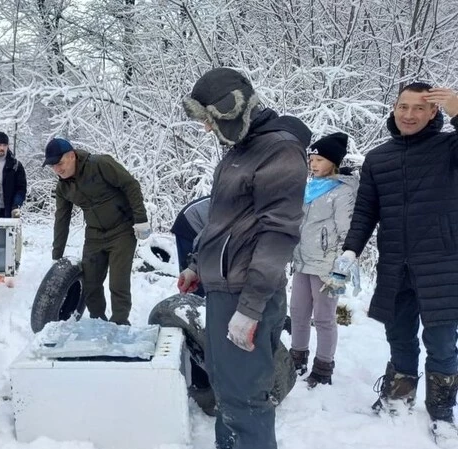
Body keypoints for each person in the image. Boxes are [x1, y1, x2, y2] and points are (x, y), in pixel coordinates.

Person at [178, 67, 310, 449]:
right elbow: (223, 222)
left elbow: (278, 234)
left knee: (245, 398)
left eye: (208, 120)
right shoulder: (240, 152)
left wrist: (251, 309)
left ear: (230, 110)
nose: (205, 130)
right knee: (229, 391)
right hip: (225, 291)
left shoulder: (279, 150)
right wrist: (196, 266)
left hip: (247, 294)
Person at [326, 83, 458, 438]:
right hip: (395, 263)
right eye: (403, 107)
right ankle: (399, 397)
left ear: (433, 112)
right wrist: (351, 250)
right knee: (399, 334)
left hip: (442, 265)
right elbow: (367, 210)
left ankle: (442, 411)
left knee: (442, 341)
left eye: (419, 108)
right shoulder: (379, 158)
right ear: (394, 108)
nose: (409, 115)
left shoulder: (449, 148)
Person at [45, 137, 150, 326]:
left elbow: (130, 185)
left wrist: (140, 219)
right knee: (91, 284)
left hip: (122, 231)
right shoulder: (63, 187)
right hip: (94, 235)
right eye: (52, 166)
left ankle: (120, 324)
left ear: (71, 156)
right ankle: (98, 323)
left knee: (117, 283)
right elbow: (62, 219)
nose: (57, 170)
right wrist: (57, 255)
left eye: (59, 163)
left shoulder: (100, 164)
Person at [289, 132, 357, 388]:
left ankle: (324, 366)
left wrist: (339, 268)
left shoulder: (342, 192)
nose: (313, 163)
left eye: (319, 159)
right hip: (303, 261)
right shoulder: (309, 188)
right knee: (297, 311)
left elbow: (346, 232)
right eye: (312, 159)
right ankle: (297, 356)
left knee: (324, 317)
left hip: (327, 265)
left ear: (334, 161)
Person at [171, 195, 210, 297]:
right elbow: (208, 237)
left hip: (201, 223)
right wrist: (194, 267)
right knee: (194, 278)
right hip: (189, 223)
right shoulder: (241, 207)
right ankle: (190, 305)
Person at [0, 132, 27, 219]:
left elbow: (21, 189)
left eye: (5, 145)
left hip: (8, 211)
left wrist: (16, 204)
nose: (2, 148)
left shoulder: (15, 166)